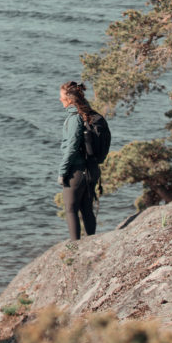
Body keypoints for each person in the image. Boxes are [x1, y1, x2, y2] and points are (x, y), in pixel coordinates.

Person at [57, 80, 102, 241]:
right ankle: (91, 241)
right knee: (86, 208)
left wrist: (62, 171)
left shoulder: (75, 118)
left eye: (61, 97)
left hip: (77, 171)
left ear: (69, 99)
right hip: (90, 169)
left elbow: (71, 147)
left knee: (70, 209)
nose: (60, 99)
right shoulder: (86, 114)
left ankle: (74, 247)